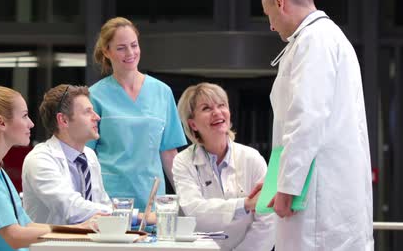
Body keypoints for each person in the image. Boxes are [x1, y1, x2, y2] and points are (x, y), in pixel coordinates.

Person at [256, 0, 374, 250]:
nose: (271, 26)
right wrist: (276, 180)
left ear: (280, 2)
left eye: (268, 14)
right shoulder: (325, 38)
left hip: (318, 204)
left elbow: (306, 117)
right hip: (327, 194)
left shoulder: (314, 40)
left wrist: (287, 186)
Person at [0, 86, 92, 251]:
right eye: (25, 116)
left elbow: (26, 225)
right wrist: (79, 232)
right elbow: (14, 236)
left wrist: (81, 229)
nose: (31, 123)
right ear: (1, 122)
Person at [89, 16, 187, 210]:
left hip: (151, 198)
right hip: (109, 200)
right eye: (121, 48)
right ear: (106, 52)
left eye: (134, 45)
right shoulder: (94, 96)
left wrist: (186, 200)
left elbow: (168, 153)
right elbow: (87, 155)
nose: (130, 53)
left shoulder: (162, 92)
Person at [172, 82, 275, 251]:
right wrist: (246, 204)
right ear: (193, 124)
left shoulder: (252, 158)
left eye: (222, 105)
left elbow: (268, 220)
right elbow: (194, 211)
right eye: (206, 108)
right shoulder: (183, 162)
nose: (217, 112)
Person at [21, 84, 111, 224]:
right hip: (48, 245)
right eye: (88, 112)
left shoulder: (89, 156)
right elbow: (71, 208)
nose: (97, 117)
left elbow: (103, 204)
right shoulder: (40, 159)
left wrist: (122, 215)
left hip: (87, 243)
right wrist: (124, 215)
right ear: (63, 120)